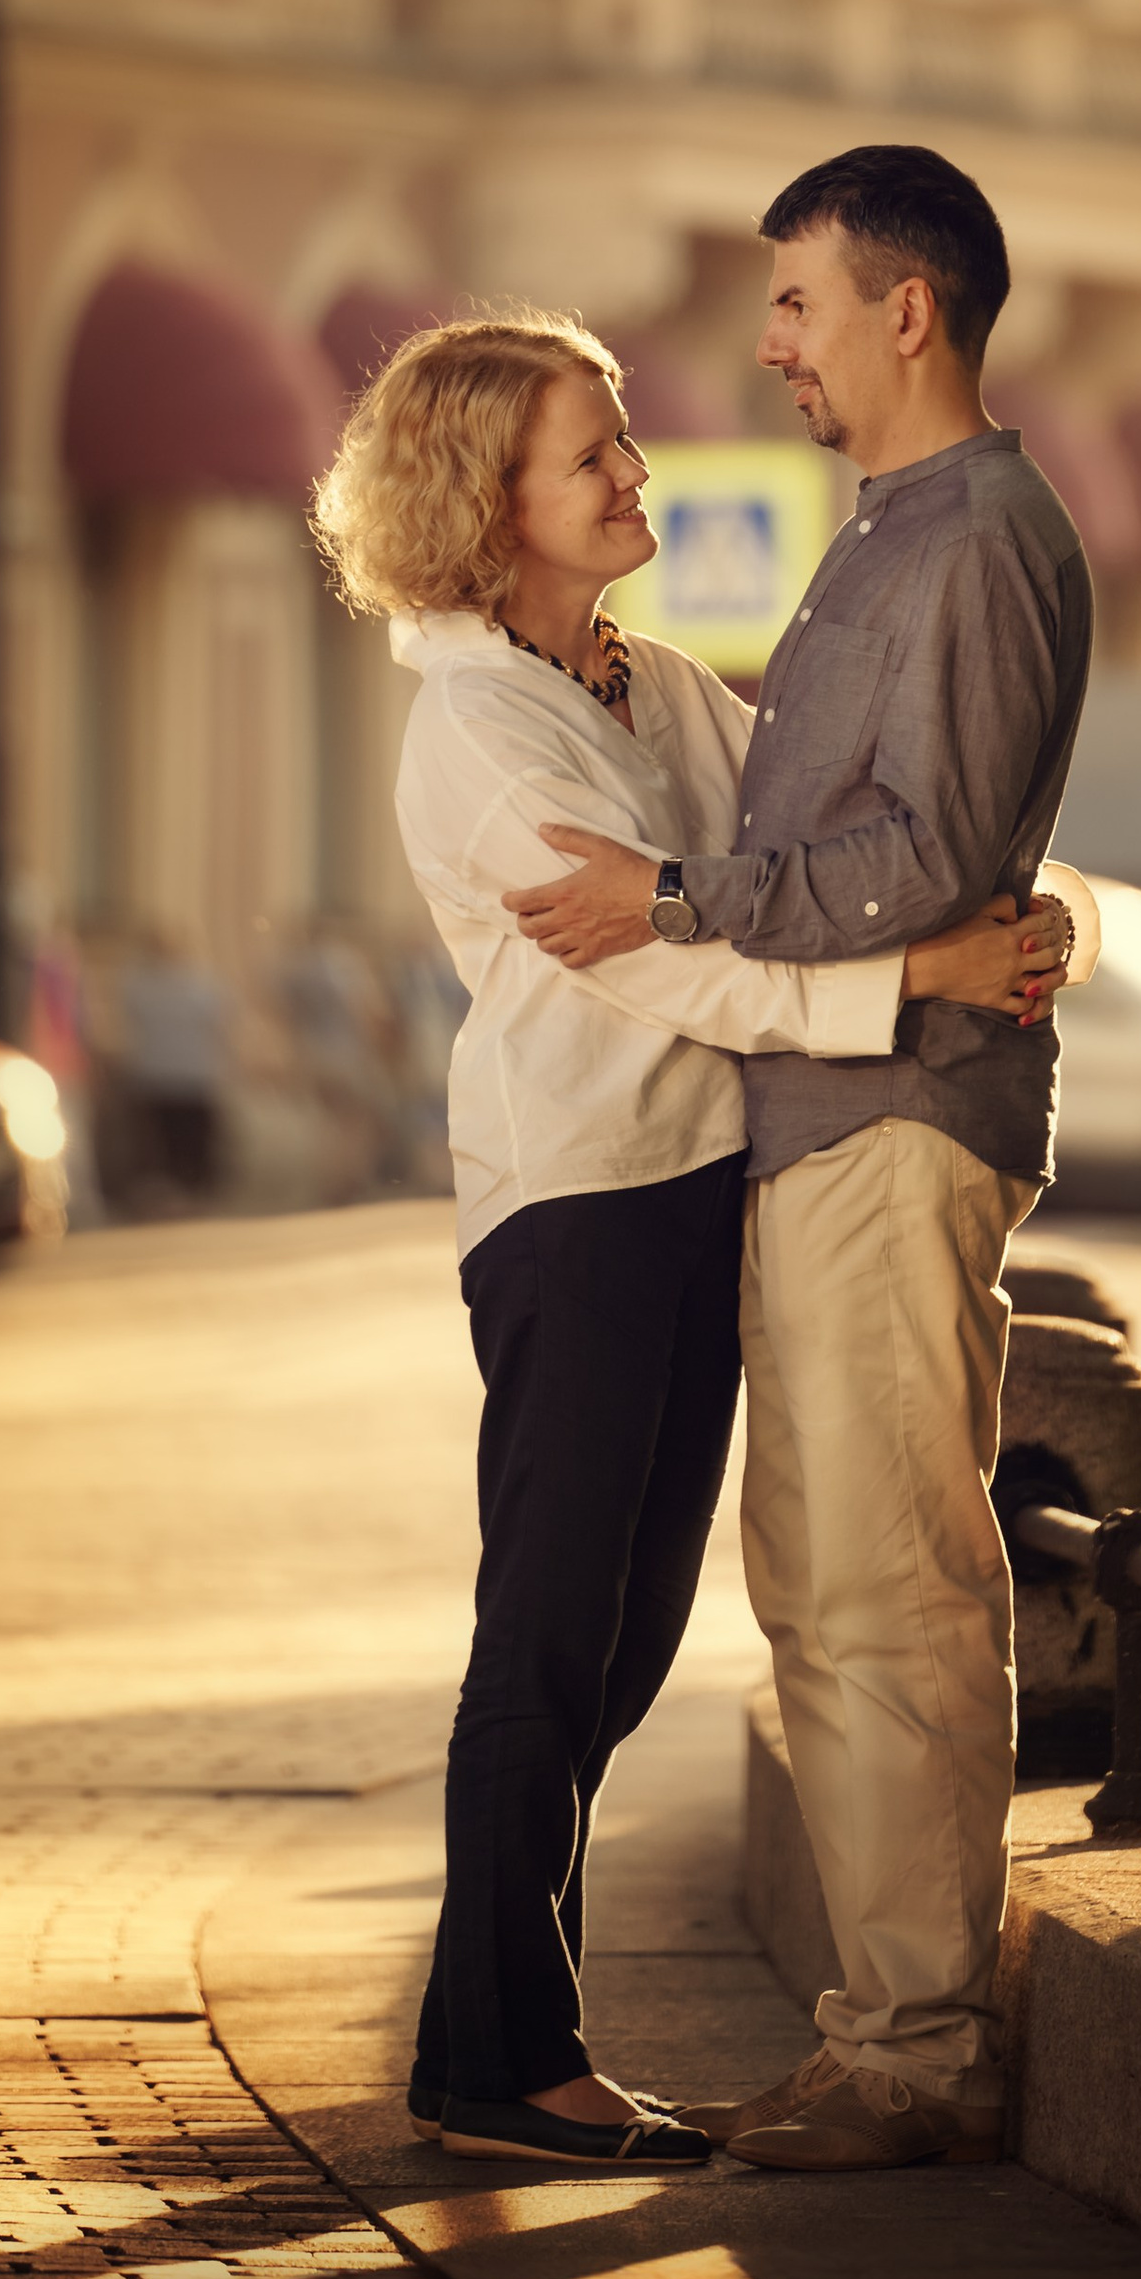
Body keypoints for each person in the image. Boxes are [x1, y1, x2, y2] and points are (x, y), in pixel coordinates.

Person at [310, 304, 1070, 2170]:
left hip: (686, 1204)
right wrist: (924, 982)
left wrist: (1027, 919)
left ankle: (503, 2038)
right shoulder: (478, 737)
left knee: (631, 1637)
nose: (637, 471)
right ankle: (496, 2058)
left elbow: (794, 866)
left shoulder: (642, 687)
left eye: (625, 437)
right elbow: (693, 964)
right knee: (552, 1629)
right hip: (573, 1215)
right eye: (596, 453)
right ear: (492, 506)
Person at [507, 146, 1094, 2173]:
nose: (767, 345)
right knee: (821, 1593)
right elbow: (906, 833)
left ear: (902, 309)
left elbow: (918, 858)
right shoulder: (884, 537)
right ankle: (881, 2032)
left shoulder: (973, 535)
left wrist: (674, 892)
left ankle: (924, 2052)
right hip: (823, 1123)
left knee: (890, 1593)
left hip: (897, 1124)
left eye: (795, 305)